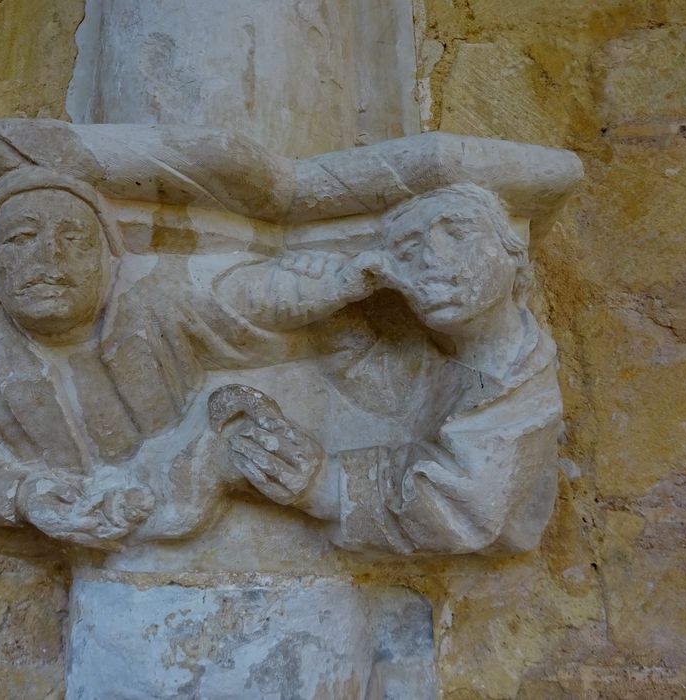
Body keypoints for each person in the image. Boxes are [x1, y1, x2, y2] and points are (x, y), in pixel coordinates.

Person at [0, 167, 311, 548]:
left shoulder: (153, 313)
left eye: (75, 239)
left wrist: (337, 282)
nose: (50, 257)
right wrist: (21, 496)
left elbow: (254, 304)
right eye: (21, 238)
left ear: (107, 262)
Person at [213, 183, 563, 555]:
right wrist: (334, 296)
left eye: (457, 233)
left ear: (514, 253)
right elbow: (391, 389)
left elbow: (466, 504)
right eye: (409, 250)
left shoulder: (525, 381)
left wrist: (327, 486)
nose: (431, 258)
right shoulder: (446, 353)